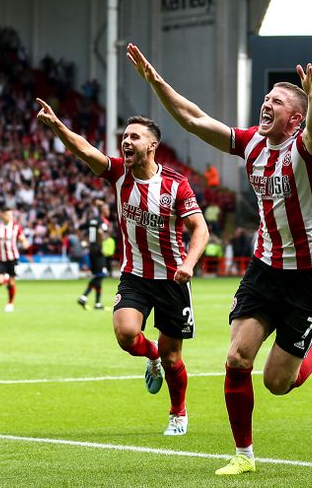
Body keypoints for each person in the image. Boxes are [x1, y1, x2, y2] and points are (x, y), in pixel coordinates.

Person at [127, 43, 312, 475]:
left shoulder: (306, 149)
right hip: (265, 269)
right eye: (266, 98)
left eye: (277, 102)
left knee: (279, 383)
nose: (267, 104)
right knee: (236, 358)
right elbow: (194, 119)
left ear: (295, 119)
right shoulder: (252, 144)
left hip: (308, 276)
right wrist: (155, 81)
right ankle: (244, 456)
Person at [36, 99, 208, 437]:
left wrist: (189, 263)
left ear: (152, 145)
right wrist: (56, 125)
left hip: (173, 278)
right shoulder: (118, 174)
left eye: (134, 137)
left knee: (174, 358)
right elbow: (85, 151)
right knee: (126, 335)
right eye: (124, 137)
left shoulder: (176, 184)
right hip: (135, 275)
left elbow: (200, 229)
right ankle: (151, 354)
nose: (126, 141)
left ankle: (178, 412)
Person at [78, 199, 111, 310]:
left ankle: (97, 303)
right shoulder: (101, 221)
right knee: (100, 275)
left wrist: (83, 241)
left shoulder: (93, 220)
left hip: (91, 249)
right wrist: (101, 246)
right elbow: (100, 233)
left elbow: (79, 228)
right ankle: (83, 297)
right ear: (102, 210)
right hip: (98, 250)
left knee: (98, 276)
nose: (108, 211)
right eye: (107, 209)